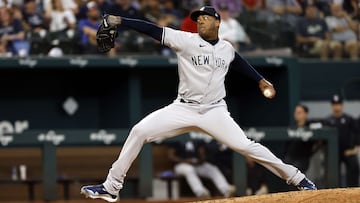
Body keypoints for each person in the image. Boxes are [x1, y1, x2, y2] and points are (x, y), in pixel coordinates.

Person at [80, 6, 317, 202]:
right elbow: (152, 29)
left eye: (205, 18)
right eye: (198, 19)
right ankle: (111, 187)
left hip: (215, 111)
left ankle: (298, 179)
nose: (200, 22)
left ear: (217, 22)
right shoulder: (185, 40)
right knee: (139, 131)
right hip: (183, 108)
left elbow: (239, 62)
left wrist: (260, 80)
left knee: (246, 146)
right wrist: (121, 20)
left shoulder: (226, 48)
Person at [167, 135, 236, 198]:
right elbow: (171, 156)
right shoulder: (178, 136)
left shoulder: (196, 136)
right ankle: (201, 193)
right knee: (189, 169)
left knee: (211, 168)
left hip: (196, 164)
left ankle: (226, 189)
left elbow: (202, 153)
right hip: (181, 165)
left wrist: (200, 160)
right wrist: (185, 161)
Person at [322, 94, 360, 187]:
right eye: (335, 104)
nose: (337, 106)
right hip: (333, 152)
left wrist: (355, 149)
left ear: (342, 105)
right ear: (332, 105)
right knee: (331, 173)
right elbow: (323, 138)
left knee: (354, 167)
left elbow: (357, 133)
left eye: (338, 104)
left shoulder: (349, 119)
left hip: (348, 150)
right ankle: (333, 194)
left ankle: (353, 192)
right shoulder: (327, 120)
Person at [284, 105, 317, 173]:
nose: (296, 114)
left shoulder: (310, 126)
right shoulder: (292, 127)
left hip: (303, 159)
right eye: (296, 112)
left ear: (305, 114)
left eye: (299, 112)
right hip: (290, 157)